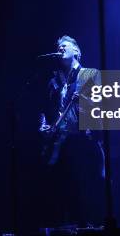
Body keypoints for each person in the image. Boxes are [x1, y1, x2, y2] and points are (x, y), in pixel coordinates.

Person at [38, 35, 105, 228]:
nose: (60, 48)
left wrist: (86, 103)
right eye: (58, 46)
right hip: (61, 145)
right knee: (64, 195)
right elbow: (44, 108)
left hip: (84, 142)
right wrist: (42, 124)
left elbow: (98, 107)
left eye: (64, 46)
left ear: (76, 51)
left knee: (89, 191)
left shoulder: (90, 74)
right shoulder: (54, 81)